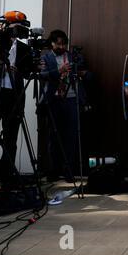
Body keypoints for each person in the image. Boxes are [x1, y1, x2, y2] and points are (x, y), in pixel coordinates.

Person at [39, 30, 91, 183]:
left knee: (71, 137)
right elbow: (42, 75)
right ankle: (54, 170)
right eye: (58, 44)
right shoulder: (45, 57)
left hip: (71, 99)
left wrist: (80, 71)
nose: (61, 46)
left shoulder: (73, 56)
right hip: (53, 100)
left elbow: (86, 74)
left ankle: (68, 170)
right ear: (52, 43)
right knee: (53, 137)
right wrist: (58, 71)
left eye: (64, 44)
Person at [0, 15, 33, 182]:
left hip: (14, 95)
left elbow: (28, 72)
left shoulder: (25, 49)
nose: (16, 31)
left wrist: (19, 71)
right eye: (14, 27)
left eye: (20, 28)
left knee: (11, 138)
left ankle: (6, 175)